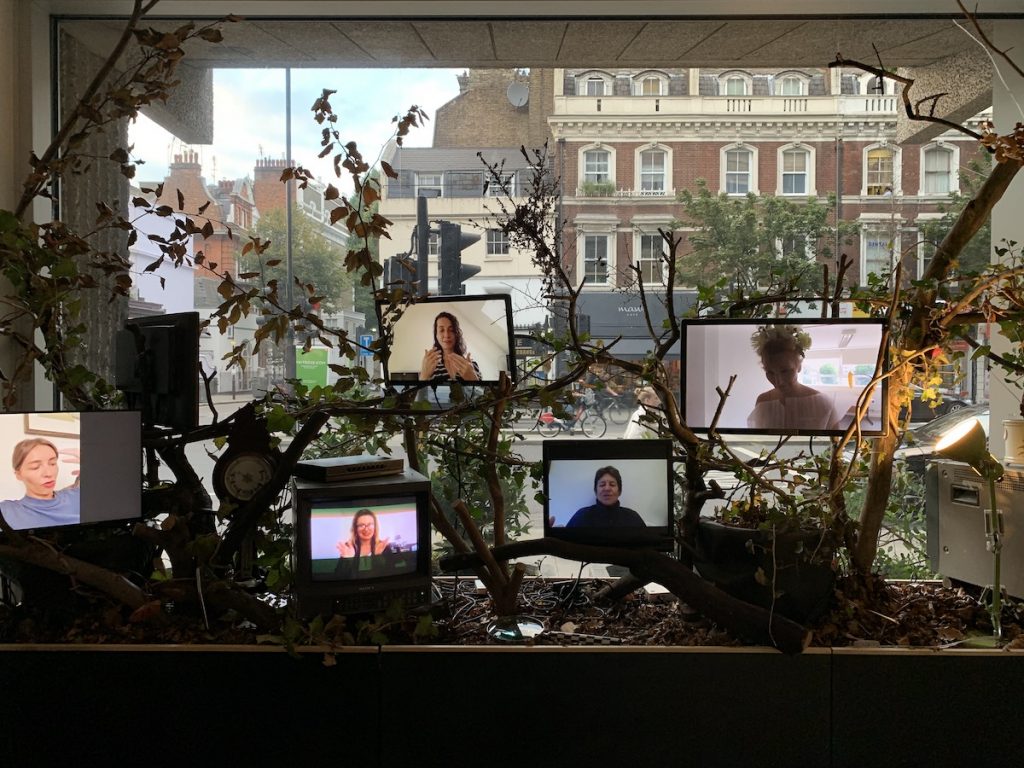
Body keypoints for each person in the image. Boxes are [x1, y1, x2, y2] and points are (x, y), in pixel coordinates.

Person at [746, 325, 842, 431]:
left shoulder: (822, 403)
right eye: (770, 372)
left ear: (799, 366)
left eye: (785, 371)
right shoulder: (762, 402)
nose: (778, 382)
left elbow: (834, 445)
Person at [0, 438, 81, 530]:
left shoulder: (78, 495)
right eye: (35, 467)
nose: (49, 473)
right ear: (19, 474)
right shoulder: (8, 511)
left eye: (52, 463)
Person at [564, 466, 646, 528]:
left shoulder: (632, 517)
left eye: (612, 484)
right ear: (595, 491)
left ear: (619, 491)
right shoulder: (581, 516)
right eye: (602, 484)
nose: (607, 488)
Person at [419, 311, 481, 383]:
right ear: (436, 335)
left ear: (456, 334)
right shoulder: (430, 367)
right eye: (441, 330)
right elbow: (422, 394)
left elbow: (483, 393)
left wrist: (473, 379)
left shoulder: (471, 366)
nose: (447, 335)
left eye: (451, 330)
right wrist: (423, 376)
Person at [335, 508, 396, 576]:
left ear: (375, 527)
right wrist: (349, 560)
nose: (366, 529)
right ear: (355, 528)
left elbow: (392, 573)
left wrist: (378, 558)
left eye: (370, 524)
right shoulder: (348, 547)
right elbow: (338, 575)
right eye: (361, 525)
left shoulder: (383, 546)